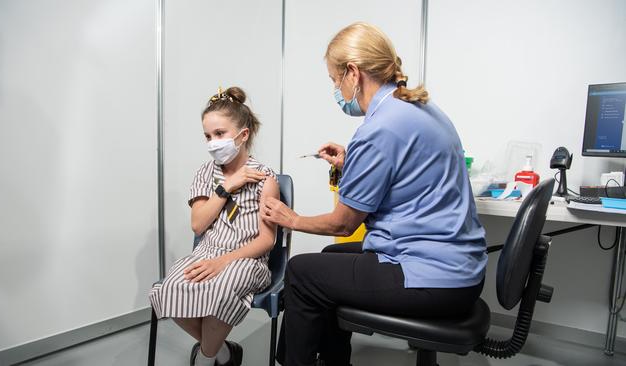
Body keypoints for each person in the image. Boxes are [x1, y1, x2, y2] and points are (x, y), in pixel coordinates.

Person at [261, 22, 488, 366]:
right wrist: (353, 160)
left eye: (335, 80)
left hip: (431, 276)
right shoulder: (420, 109)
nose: (337, 89)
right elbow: (407, 172)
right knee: (327, 259)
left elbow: (343, 223)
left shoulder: (379, 128)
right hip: (458, 268)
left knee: (301, 273)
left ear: (353, 72)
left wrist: (290, 218)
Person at [149, 86, 279, 366]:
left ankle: (206, 359)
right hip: (206, 253)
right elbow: (198, 225)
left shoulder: (265, 177)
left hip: (247, 258)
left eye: (219, 134)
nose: (212, 142)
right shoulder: (205, 173)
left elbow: (267, 240)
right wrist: (226, 187)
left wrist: (222, 263)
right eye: (208, 136)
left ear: (243, 135)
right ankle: (222, 353)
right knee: (169, 288)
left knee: (219, 289)